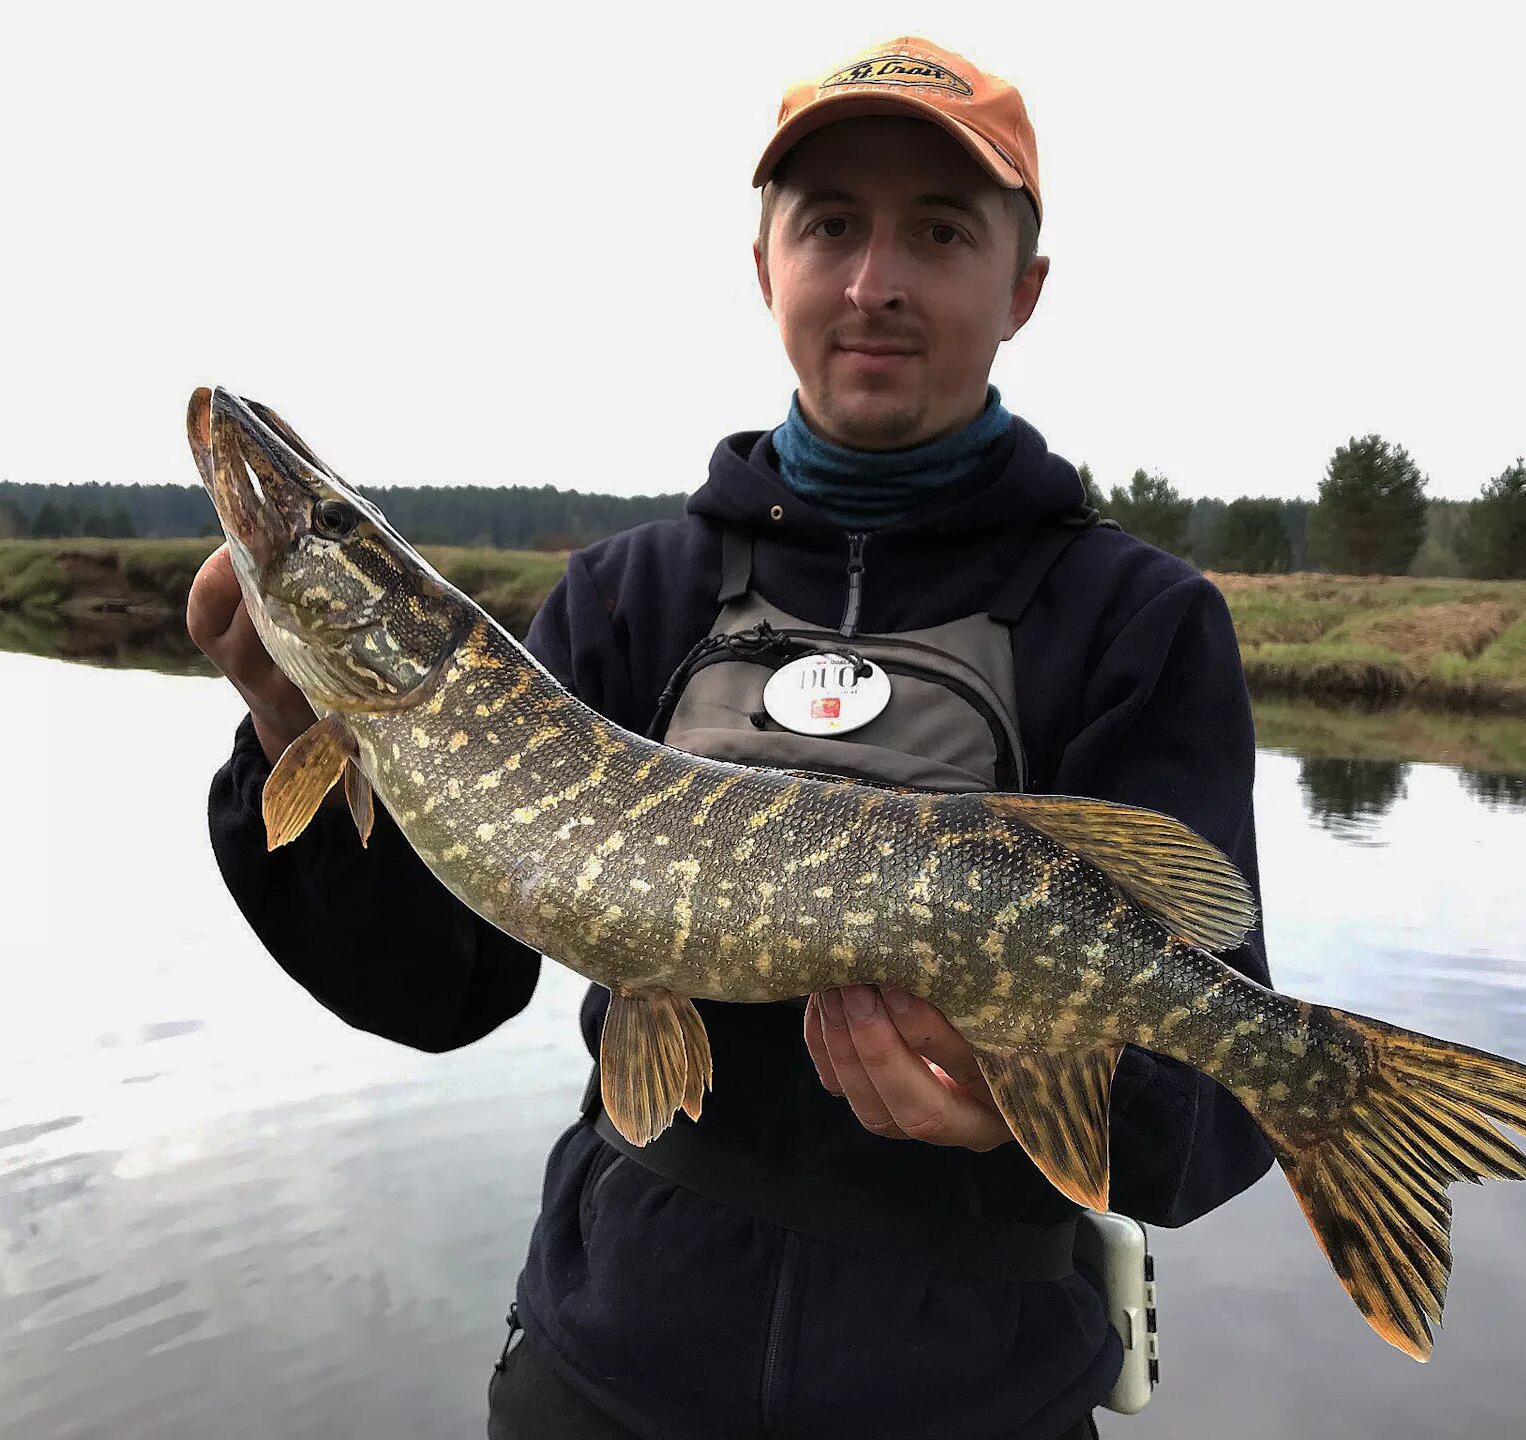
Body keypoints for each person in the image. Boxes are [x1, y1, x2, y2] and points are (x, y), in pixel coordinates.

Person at [189, 35, 1275, 1440]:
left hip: (966, 1401)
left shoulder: (1137, 621)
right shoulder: (630, 596)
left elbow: (1219, 1113)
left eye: (938, 232)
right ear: (765, 264)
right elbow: (439, 987)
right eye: (830, 225)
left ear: (1022, 290)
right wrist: (287, 718)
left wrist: (1019, 1102)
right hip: (610, 1374)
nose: (874, 281)